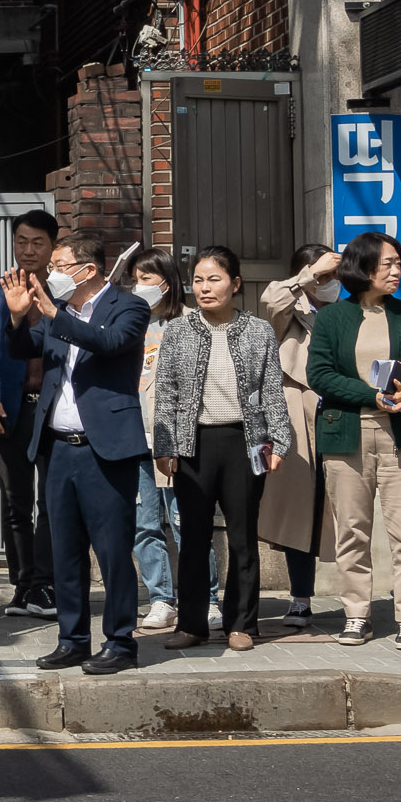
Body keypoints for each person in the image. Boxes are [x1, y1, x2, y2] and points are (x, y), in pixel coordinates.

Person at [6, 228, 151, 673]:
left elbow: (108, 344)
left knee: (111, 550)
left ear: (88, 270)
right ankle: (72, 639)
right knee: (64, 550)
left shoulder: (128, 306)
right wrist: (17, 318)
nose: (50, 273)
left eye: (59, 266)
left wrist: (53, 312)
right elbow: (23, 350)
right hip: (58, 448)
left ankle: (121, 642)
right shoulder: (58, 311)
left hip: (105, 449)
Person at [149, 247, 289, 650]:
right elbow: (167, 394)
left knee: (244, 536)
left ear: (235, 284)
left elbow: (272, 392)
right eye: (198, 280)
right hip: (194, 444)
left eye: (214, 279)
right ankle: (191, 624)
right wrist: (165, 444)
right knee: (193, 536)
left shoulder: (259, 331)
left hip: (245, 443)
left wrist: (278, 441)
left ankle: (242, 624)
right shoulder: (179, 330)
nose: (204, 288)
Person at [306, 232, 401, 651]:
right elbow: (320, 374)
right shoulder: (331, 317)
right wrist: (371, 396)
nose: (397, 270)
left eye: (399, 263)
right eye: (388, 264)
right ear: (363, 268)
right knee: (352, 532)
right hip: (348, 434)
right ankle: (356, 615)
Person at [0, 209, 61, 619]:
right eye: (21, 241)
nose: (28, 249)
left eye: (37, 242)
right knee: (15, 502)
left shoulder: (65, 292)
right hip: (8, 407)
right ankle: (23, 585)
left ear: (52, 247)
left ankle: (46, 584)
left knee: (54, 500)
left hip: (55, 410)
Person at [260, 243, 342, 629]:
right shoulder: (290, 314)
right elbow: (272, 299)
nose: (328, 284)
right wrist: (309, 276)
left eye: (332, 276)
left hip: (345, 415)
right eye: (321, 277)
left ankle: (356, 600)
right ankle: (300, 598)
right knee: (300, 510)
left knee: (348, 509)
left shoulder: (350, 309)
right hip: (299, 419)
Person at [122, 247, 190, 635]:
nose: (139, 286)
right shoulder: (131, 322)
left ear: (167, 280)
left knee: (185, 521)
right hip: (136, 437)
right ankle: (161, 598)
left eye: (147, 278)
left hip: (178, 439)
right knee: (144, 524)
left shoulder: (188, 323)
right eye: (135, 278)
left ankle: (207, 597)